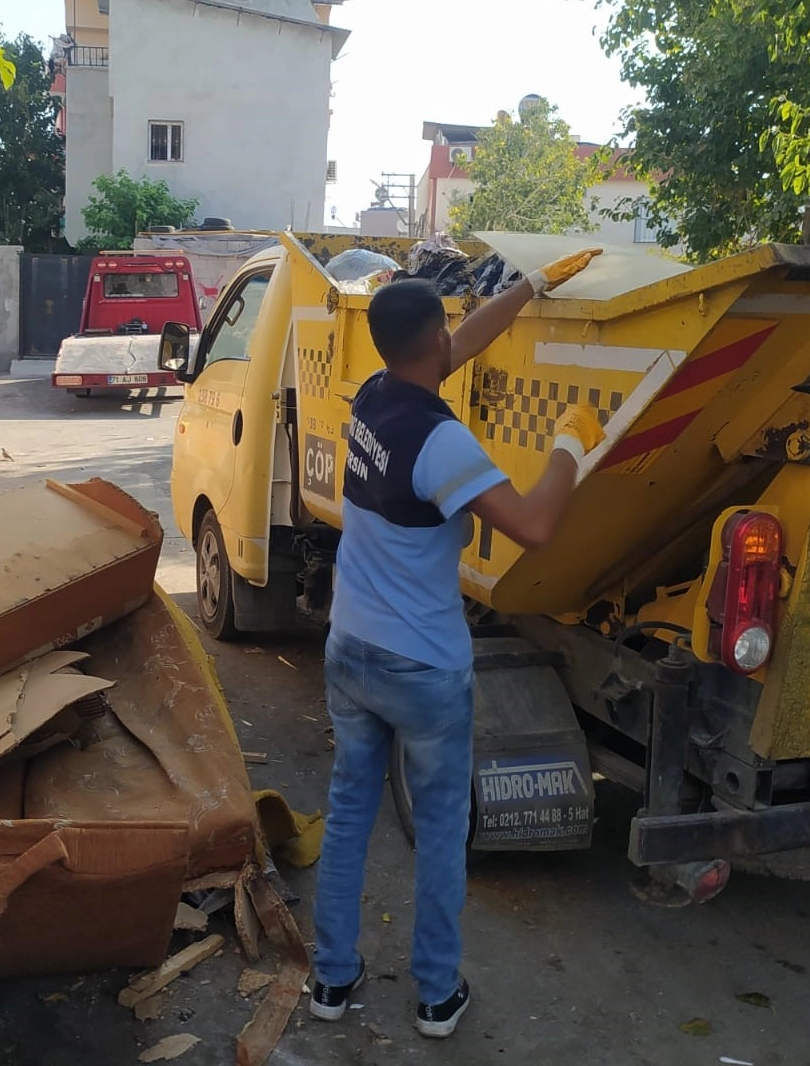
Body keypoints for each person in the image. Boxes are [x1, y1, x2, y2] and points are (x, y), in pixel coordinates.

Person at [309, 249, 607, 1039]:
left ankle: (331, 980)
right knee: (441, 831)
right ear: (432, 343)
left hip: (351, 648)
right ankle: (437, 994)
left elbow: (459, 342)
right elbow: (534, 526)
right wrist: (570, 446)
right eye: (446, 331)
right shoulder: (442, 445)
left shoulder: (372, 398)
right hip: (423, 669)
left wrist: (529, 288)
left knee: (349, 814)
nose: (454, 340)